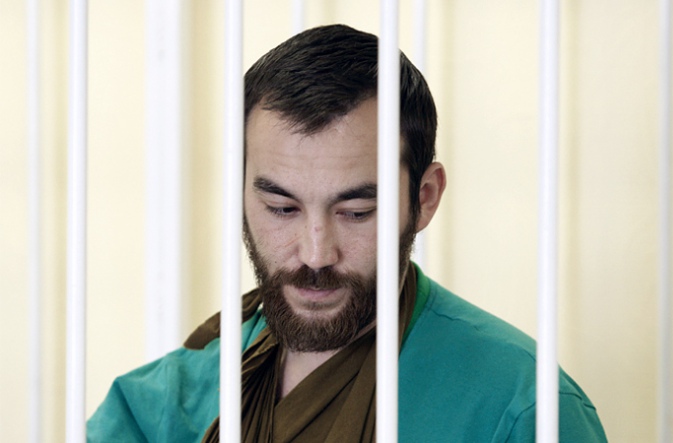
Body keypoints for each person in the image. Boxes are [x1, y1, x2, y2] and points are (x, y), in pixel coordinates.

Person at [87, 24, 607, 442]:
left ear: (424, 198)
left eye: (357, 212)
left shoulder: (521, 409)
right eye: (281, 208)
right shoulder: (171, 402)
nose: (316, 253)